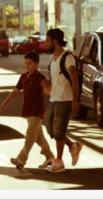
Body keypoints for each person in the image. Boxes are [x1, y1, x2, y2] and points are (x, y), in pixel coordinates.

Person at [0, 52, 55, 170]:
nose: (27, 66)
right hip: (27, 111)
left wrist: (50, 85)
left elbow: (47, 92)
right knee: (38, 137)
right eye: (25, 63)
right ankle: (50, 157)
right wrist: (5, 102)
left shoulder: (40, 77)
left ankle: (21, 159)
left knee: (30, 136)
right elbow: (15, 91)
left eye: (30, 64)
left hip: (37, 111)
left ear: (36, 64)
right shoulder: (23, 77)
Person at [40, 28, 82, 173]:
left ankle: (59, 162)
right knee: (49, 127)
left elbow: (75, 81)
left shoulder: (68, 58)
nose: (45, 44)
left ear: (55, 41)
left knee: (58, 131)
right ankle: (73, 146)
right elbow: (56, 80)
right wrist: (48, 84)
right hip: (53, 97)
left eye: (47, 41)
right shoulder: (53, 58)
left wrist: (75, 101)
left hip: (65, 99)